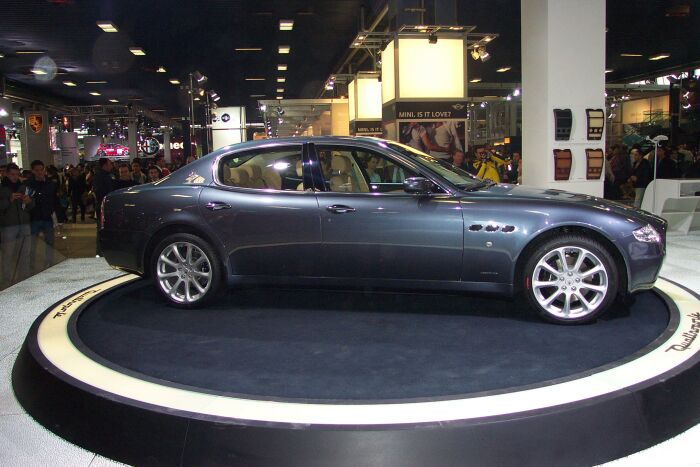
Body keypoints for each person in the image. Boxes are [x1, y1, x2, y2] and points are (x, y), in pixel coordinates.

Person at [0, 163, 34, 287]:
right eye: (12, 175)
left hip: (24, 224)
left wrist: (28, 201)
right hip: (9, 226)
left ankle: (24, 278)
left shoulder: (23, 187)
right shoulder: (2, 188)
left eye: (16, 174)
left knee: (25, 253)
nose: (15, 177)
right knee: (8, 254)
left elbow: (31, 206)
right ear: (6, 174)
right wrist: (9, 200)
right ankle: (7, 281)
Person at [26, 160, 57, 272]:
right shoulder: (29, 184)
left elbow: (53, 199)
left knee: (50, 243)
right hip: (34, 217)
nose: (39, 172)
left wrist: (53, 212)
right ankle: (31, 267)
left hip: (47, 217)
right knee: (33, 244)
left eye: (41, 170)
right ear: (33, 171)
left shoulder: (50, 183)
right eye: (37, 170)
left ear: (44, 170)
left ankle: (49, 265)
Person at [92, 158, 114, 255]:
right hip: (103, 208)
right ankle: (100, 252)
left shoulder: (106, 176)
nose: (111, 166)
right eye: (110, 164)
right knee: (101, 230)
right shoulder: (100, 177)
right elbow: (101, 193)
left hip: (106, 207)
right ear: (104, 165)